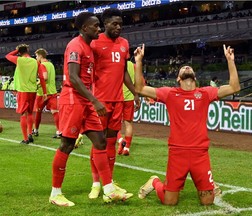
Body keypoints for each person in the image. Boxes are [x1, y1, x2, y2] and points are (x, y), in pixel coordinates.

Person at [134, 44, 240, 206]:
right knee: (170, 202)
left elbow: (234, 87)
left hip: (200, 153)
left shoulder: (205, 93)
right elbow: (140, 88)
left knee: (207, 202)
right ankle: (155, 182)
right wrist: (139, 61)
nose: (186, 68)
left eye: (189, 67)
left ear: (195, 77)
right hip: (178, 152)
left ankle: (209, 185)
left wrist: (230, 61)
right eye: (183, 68)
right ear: (178, 78)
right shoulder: (169, 93)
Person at [49, 12, 132, 207]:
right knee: (67, 145)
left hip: (85, 101)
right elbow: (74, 77)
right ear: (84, 28)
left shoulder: (87, 46)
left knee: (100, 142)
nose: (99, 29)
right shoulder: (75, 46)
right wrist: (95, 100)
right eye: (95, 26)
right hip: (73, 100)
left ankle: (109, 189)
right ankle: (55, 193)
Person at [88, 8, 140, 199]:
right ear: (105, 24)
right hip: (100, 102)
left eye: (120, 24)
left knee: (110, 143)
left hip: (118, 100)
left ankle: (108, 183)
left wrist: (135, 93)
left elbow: (124, 72)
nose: (118, 27)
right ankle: (95, 183)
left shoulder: (124, 43)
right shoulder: (94, 43)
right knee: (98, 143)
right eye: (114, 24)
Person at [5, 44, 47, 144]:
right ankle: (30, 134)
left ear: (20, 52)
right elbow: (41, 77)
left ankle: (25, 138)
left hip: (23, 90)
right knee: (30, 113)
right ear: (28, 51)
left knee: (23, 114)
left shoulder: (19, 60)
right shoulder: (35, 62)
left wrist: (16, 51)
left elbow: (7, 56)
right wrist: (44, 92)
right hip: (32, 90)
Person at [32, 48, 60, 138]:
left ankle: (35, 130)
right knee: (55, 112)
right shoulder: (51, 64)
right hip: (52, 92)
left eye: (36, 56)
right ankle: (59, 132)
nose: (36, 58)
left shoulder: (42, 65)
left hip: (42, 93)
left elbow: (45, 77)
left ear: (40, 56)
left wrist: (36, 84)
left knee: (38, 112)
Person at [117, 60, 136, 156]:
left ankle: (120, 140)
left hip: (118, 97)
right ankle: (127, 148)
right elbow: (138, 81)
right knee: (128, 124)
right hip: (130, 98)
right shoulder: (134, 66)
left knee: (114, 123)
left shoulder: (117, 63)